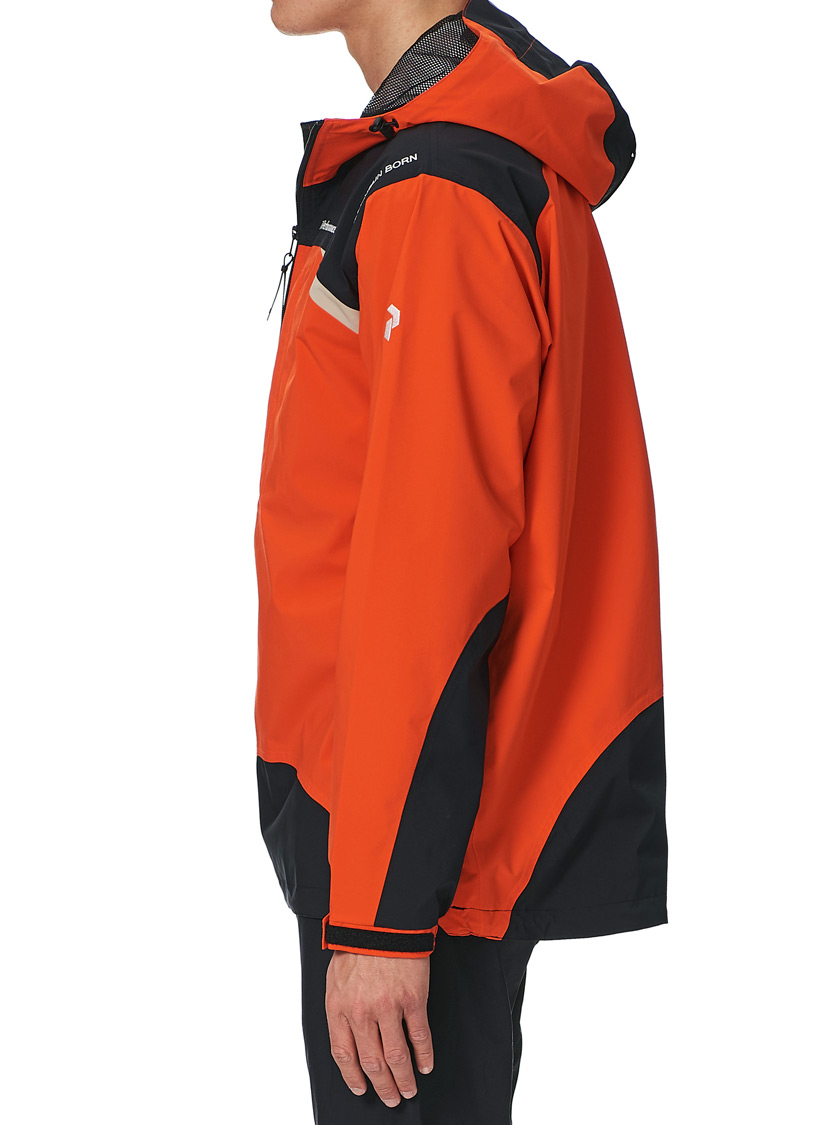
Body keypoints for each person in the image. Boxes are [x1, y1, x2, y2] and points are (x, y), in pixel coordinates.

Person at [255, 0, 668, 1120]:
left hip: (408, 855)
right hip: (405, 822)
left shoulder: (439, 189)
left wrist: (383, 917)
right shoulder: (440, 165)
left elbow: (429, 572)